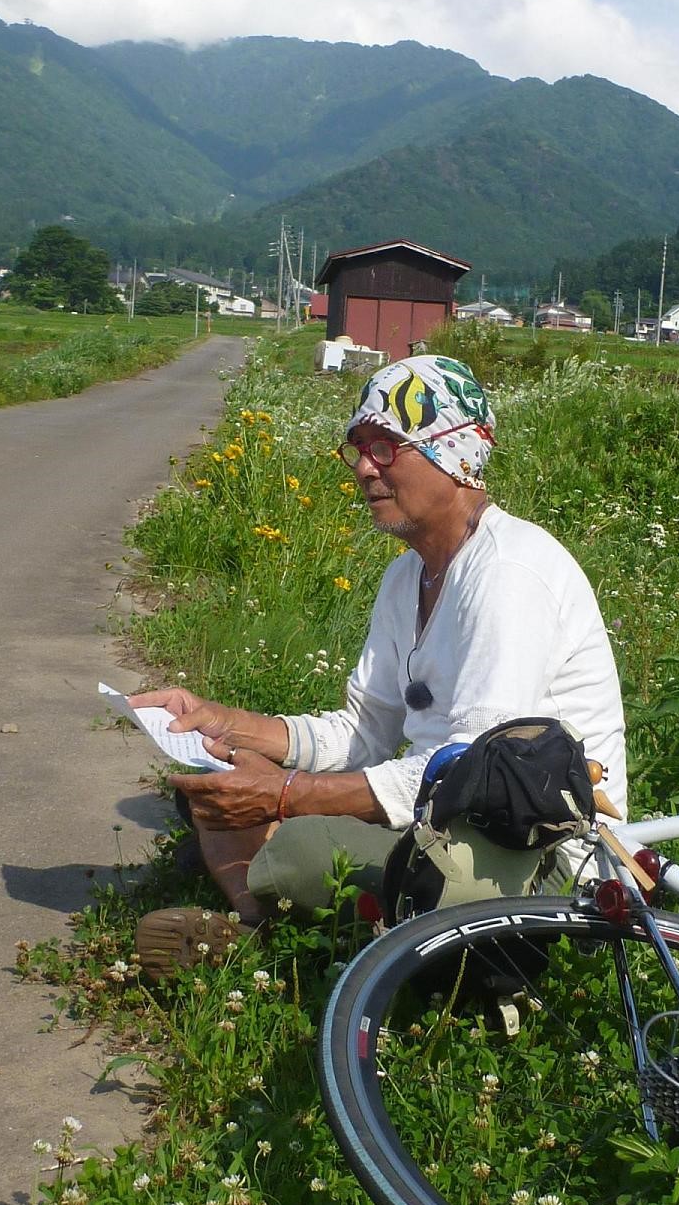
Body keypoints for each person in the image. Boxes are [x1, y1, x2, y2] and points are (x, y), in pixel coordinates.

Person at [130, 352, 626, 980]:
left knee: (301, 846)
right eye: (358, 448)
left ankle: (277, 919)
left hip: (538, 846)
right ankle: (264, 924)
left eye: (387, 447)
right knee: (216, 788)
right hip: (443, 818)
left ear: (457, 453)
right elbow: (363, 732)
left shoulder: (508, 574)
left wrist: (288, 796)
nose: (365, 469)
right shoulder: (406, 577)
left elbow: (476, 772)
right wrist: (224, 726)